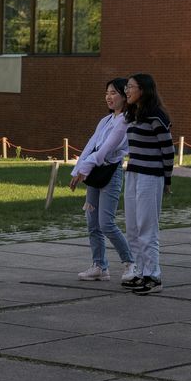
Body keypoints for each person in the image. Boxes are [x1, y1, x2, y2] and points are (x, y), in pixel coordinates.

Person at [69, 78, 136, 282]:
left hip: (110, 172)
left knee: (106, 223)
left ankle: (131, 263)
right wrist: (77, 170)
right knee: (92, 222)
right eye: (107, 93)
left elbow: (106, 148)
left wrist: (84, 168)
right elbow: (91, 145)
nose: (108, 97)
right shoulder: (105, 120)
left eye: (113, 93)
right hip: (94, 173)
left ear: (124, 96)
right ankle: (99, 266)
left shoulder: (125, 120)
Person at [121, 73, 174, 295]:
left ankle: (154, 276)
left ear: (143, 90)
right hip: (133, 174)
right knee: (133, 227)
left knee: (147, 227)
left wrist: (167, 179)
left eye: (130, 87)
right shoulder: (133, 115)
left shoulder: (156, 115)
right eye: (126, 87)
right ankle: (140, 272)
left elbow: (168, 150)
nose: (127, 91)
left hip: (150, 177)